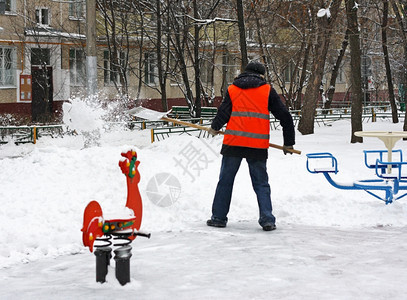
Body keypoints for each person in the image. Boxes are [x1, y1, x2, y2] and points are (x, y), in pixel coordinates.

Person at [207, 61, 295, 231]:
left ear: (244, 73)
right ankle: (267, 219)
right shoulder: (267, 90)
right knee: (261, 183)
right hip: (257, 145)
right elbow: (285, 116)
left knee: (225, 181)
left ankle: (218, 218)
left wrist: (214, 127)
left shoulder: (233, 89)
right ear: (261, 75)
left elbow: (224, 112)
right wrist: (288, 142)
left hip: (234, 143)